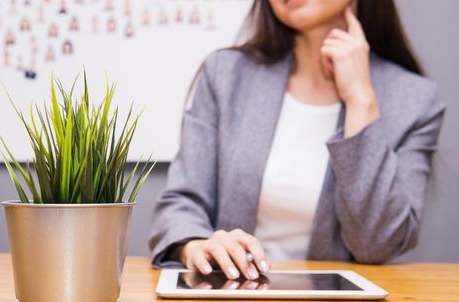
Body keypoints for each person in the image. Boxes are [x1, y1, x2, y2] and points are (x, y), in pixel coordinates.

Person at [148, 0, 446, 281]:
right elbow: (180, 205)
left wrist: (361, 100)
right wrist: (196, 245)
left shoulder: (415, 100)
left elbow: (377, 244)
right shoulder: (225, 75)